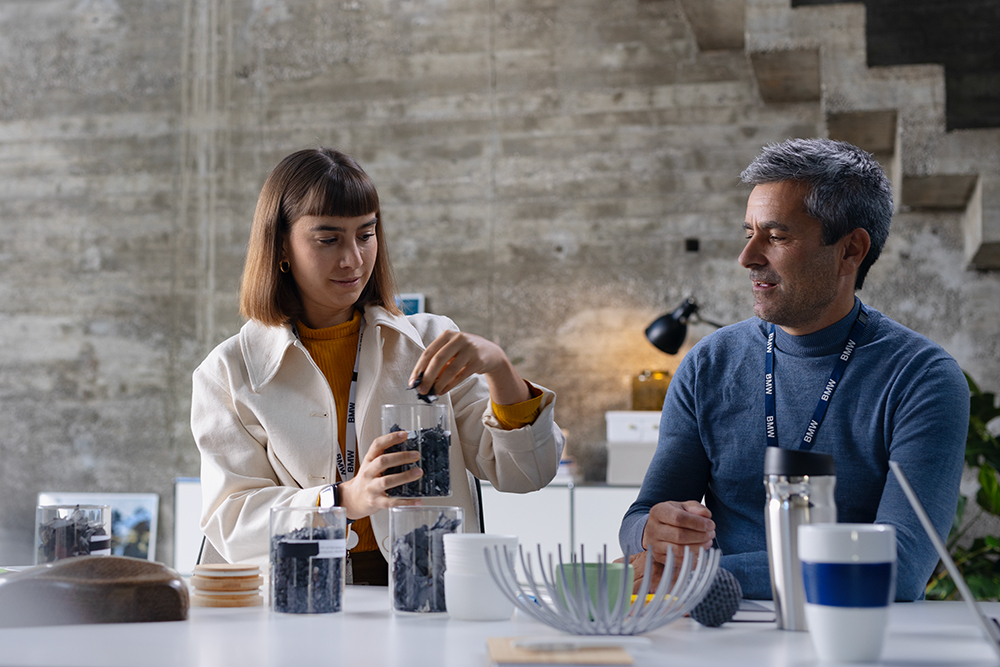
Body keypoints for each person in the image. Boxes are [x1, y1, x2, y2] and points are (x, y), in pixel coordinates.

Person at [192, 147, 564, 583]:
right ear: (281, 247)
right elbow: (231, 520)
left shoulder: (430, 342)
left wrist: (499, 368)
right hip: (302, 599)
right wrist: (343, 499)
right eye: (328, 239)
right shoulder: (230, 371)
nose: (352, 259)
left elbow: (526, 473)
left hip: (428, 592)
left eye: (365, 235)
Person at [619, 138, 968, 601]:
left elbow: (899, 567)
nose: (747, 257)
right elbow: (639, 518)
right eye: (749, 233)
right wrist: (654, 532)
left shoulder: (922, 379)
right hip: (721, 633)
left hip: (855, 638)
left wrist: (703, 574)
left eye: (777, 237)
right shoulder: (708, 364)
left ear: (851, 250)